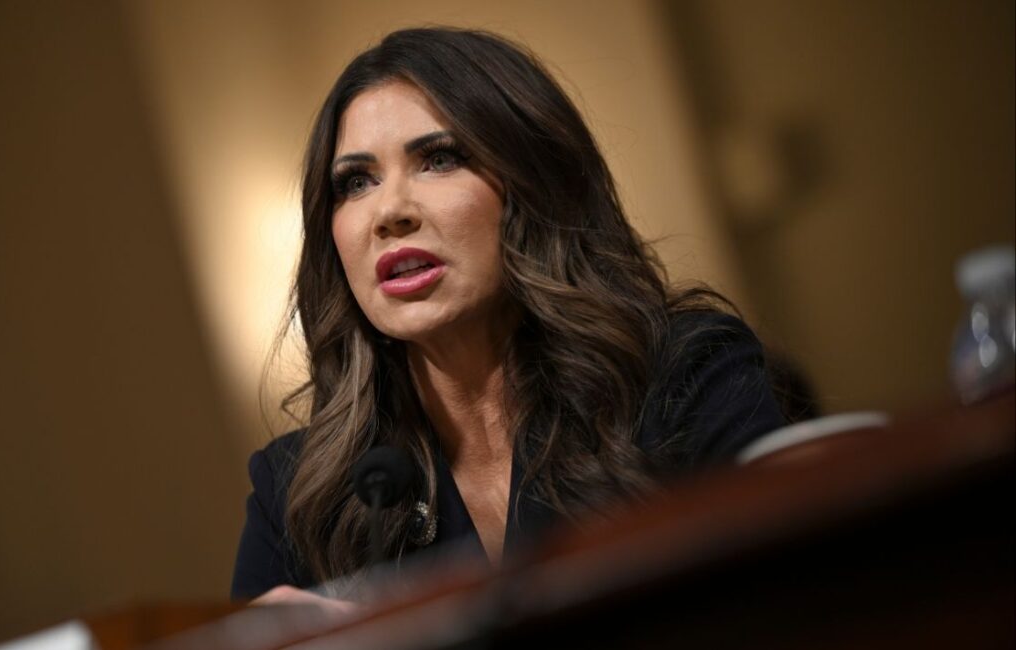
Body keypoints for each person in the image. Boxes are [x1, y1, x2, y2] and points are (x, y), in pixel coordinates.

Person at [231, 27, 785, 609]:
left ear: (532, 186)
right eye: (356, 182)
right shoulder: (298, 490)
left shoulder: (682, 376)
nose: (389, 211)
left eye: (439, 159)